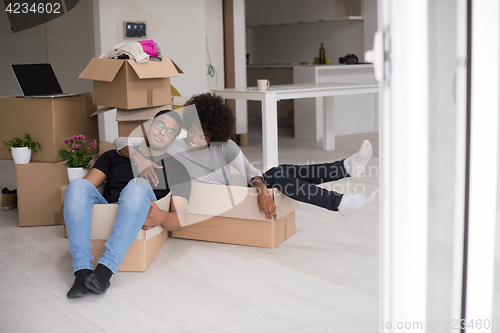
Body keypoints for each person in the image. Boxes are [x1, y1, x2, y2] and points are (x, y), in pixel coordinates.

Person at [114, 93, 378, 221]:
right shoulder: (171, 144)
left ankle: (344, 175)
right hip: (225, 203)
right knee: (278, 174)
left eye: (204, 135)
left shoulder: (225, 147)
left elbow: (252, 171)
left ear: (215, 135)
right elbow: (120, 141)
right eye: (194, 130)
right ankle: (343, 181)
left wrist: (261, 189)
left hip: (243, 193)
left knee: (276, 173)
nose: (196, 138)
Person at [64, 110, 191, 298]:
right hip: (107, 207)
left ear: (172, 141)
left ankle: (105, 270)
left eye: (170, 132)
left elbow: (179, 220)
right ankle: (82, 271)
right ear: (149, 126)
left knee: (137, 185)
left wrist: (162, 216)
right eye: (160, 125)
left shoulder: (178, 169)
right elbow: (82, 191)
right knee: (76, 184)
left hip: (141, 208)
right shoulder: (113, 156)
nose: (163, 132)